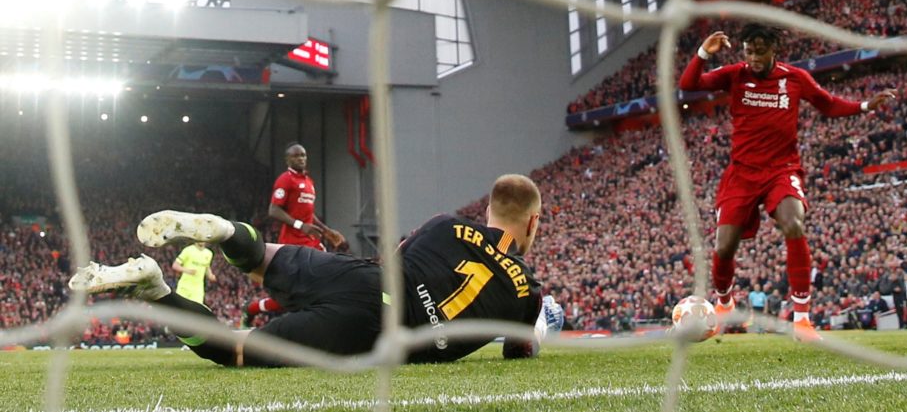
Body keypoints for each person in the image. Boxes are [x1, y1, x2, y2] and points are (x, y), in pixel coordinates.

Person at [70, 174, 557, 366]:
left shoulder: (444, 224)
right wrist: (537, 328)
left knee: (261, 258)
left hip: (366, 278)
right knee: (238, 351)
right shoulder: (527, 294)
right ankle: (157, 290)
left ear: (490, 208)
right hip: (380, 327)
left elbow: (394, 257)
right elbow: (519, 354)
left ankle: (222, 230)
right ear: (532, 221)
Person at [678, 24, 896, 341]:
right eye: (749, 51)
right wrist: (702, 53)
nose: (753, 57)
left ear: (772, 50)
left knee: (794, 224)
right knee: (724, 246)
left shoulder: (794, 78)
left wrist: (863, 106)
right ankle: (724, 301)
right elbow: (689, 84)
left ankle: (802, 320)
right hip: (742, 174)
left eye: (760, 51)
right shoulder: (735, 74)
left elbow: (827, 102)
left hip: (782, 170)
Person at [242, 142, 348, 327]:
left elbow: (309, 213)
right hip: (292, 244)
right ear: (287, 159)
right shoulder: (285, 180)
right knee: (296, 296)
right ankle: (253, 309)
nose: (301, 158)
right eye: (296, 155)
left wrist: (326, 230)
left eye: (303, 155)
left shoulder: (308, 182)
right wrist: (300, 225)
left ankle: (255, 309)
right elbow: (274, 210)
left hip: (310, 241)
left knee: (315, 287)